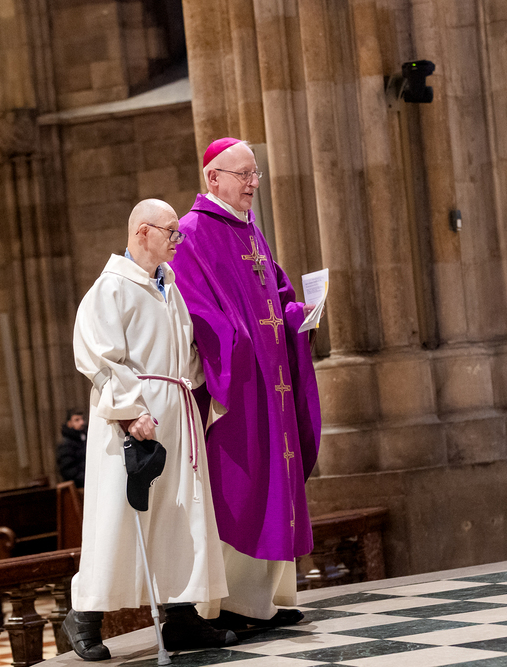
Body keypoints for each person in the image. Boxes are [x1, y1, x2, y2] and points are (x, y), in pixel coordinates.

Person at [65, 199, 230, 660]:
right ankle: (84, 617)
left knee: (180, 514)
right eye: (171, 232)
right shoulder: (111, 288)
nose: (178, 240)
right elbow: (97, 357)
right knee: (118, 517)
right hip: (133, 420)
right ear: (142, 232)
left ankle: (181, 615)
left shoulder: (169, 287)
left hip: (176, 415)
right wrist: (129, 410)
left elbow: (184, 352)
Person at [168, 138, 320, 629]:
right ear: (213, 178)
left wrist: (296, 315)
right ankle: (225, 604)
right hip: (239, 386)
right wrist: (239, 343)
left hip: (272, 382)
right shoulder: (192, 233)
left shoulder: (251, 230)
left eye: (256, 174)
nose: (254, 183)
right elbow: (194, 308)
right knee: (241, 489)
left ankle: (262, 601)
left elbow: (276, 291)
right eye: (244, 175)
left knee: (276, 485)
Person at [57, 409, 88, 488]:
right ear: (69, 423)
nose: (82, 422)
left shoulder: (85, 438)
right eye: (77, 420)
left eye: (82, 419)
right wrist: (88, 478)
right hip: (78, 486)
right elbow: (69, 472)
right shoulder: (66, 445)